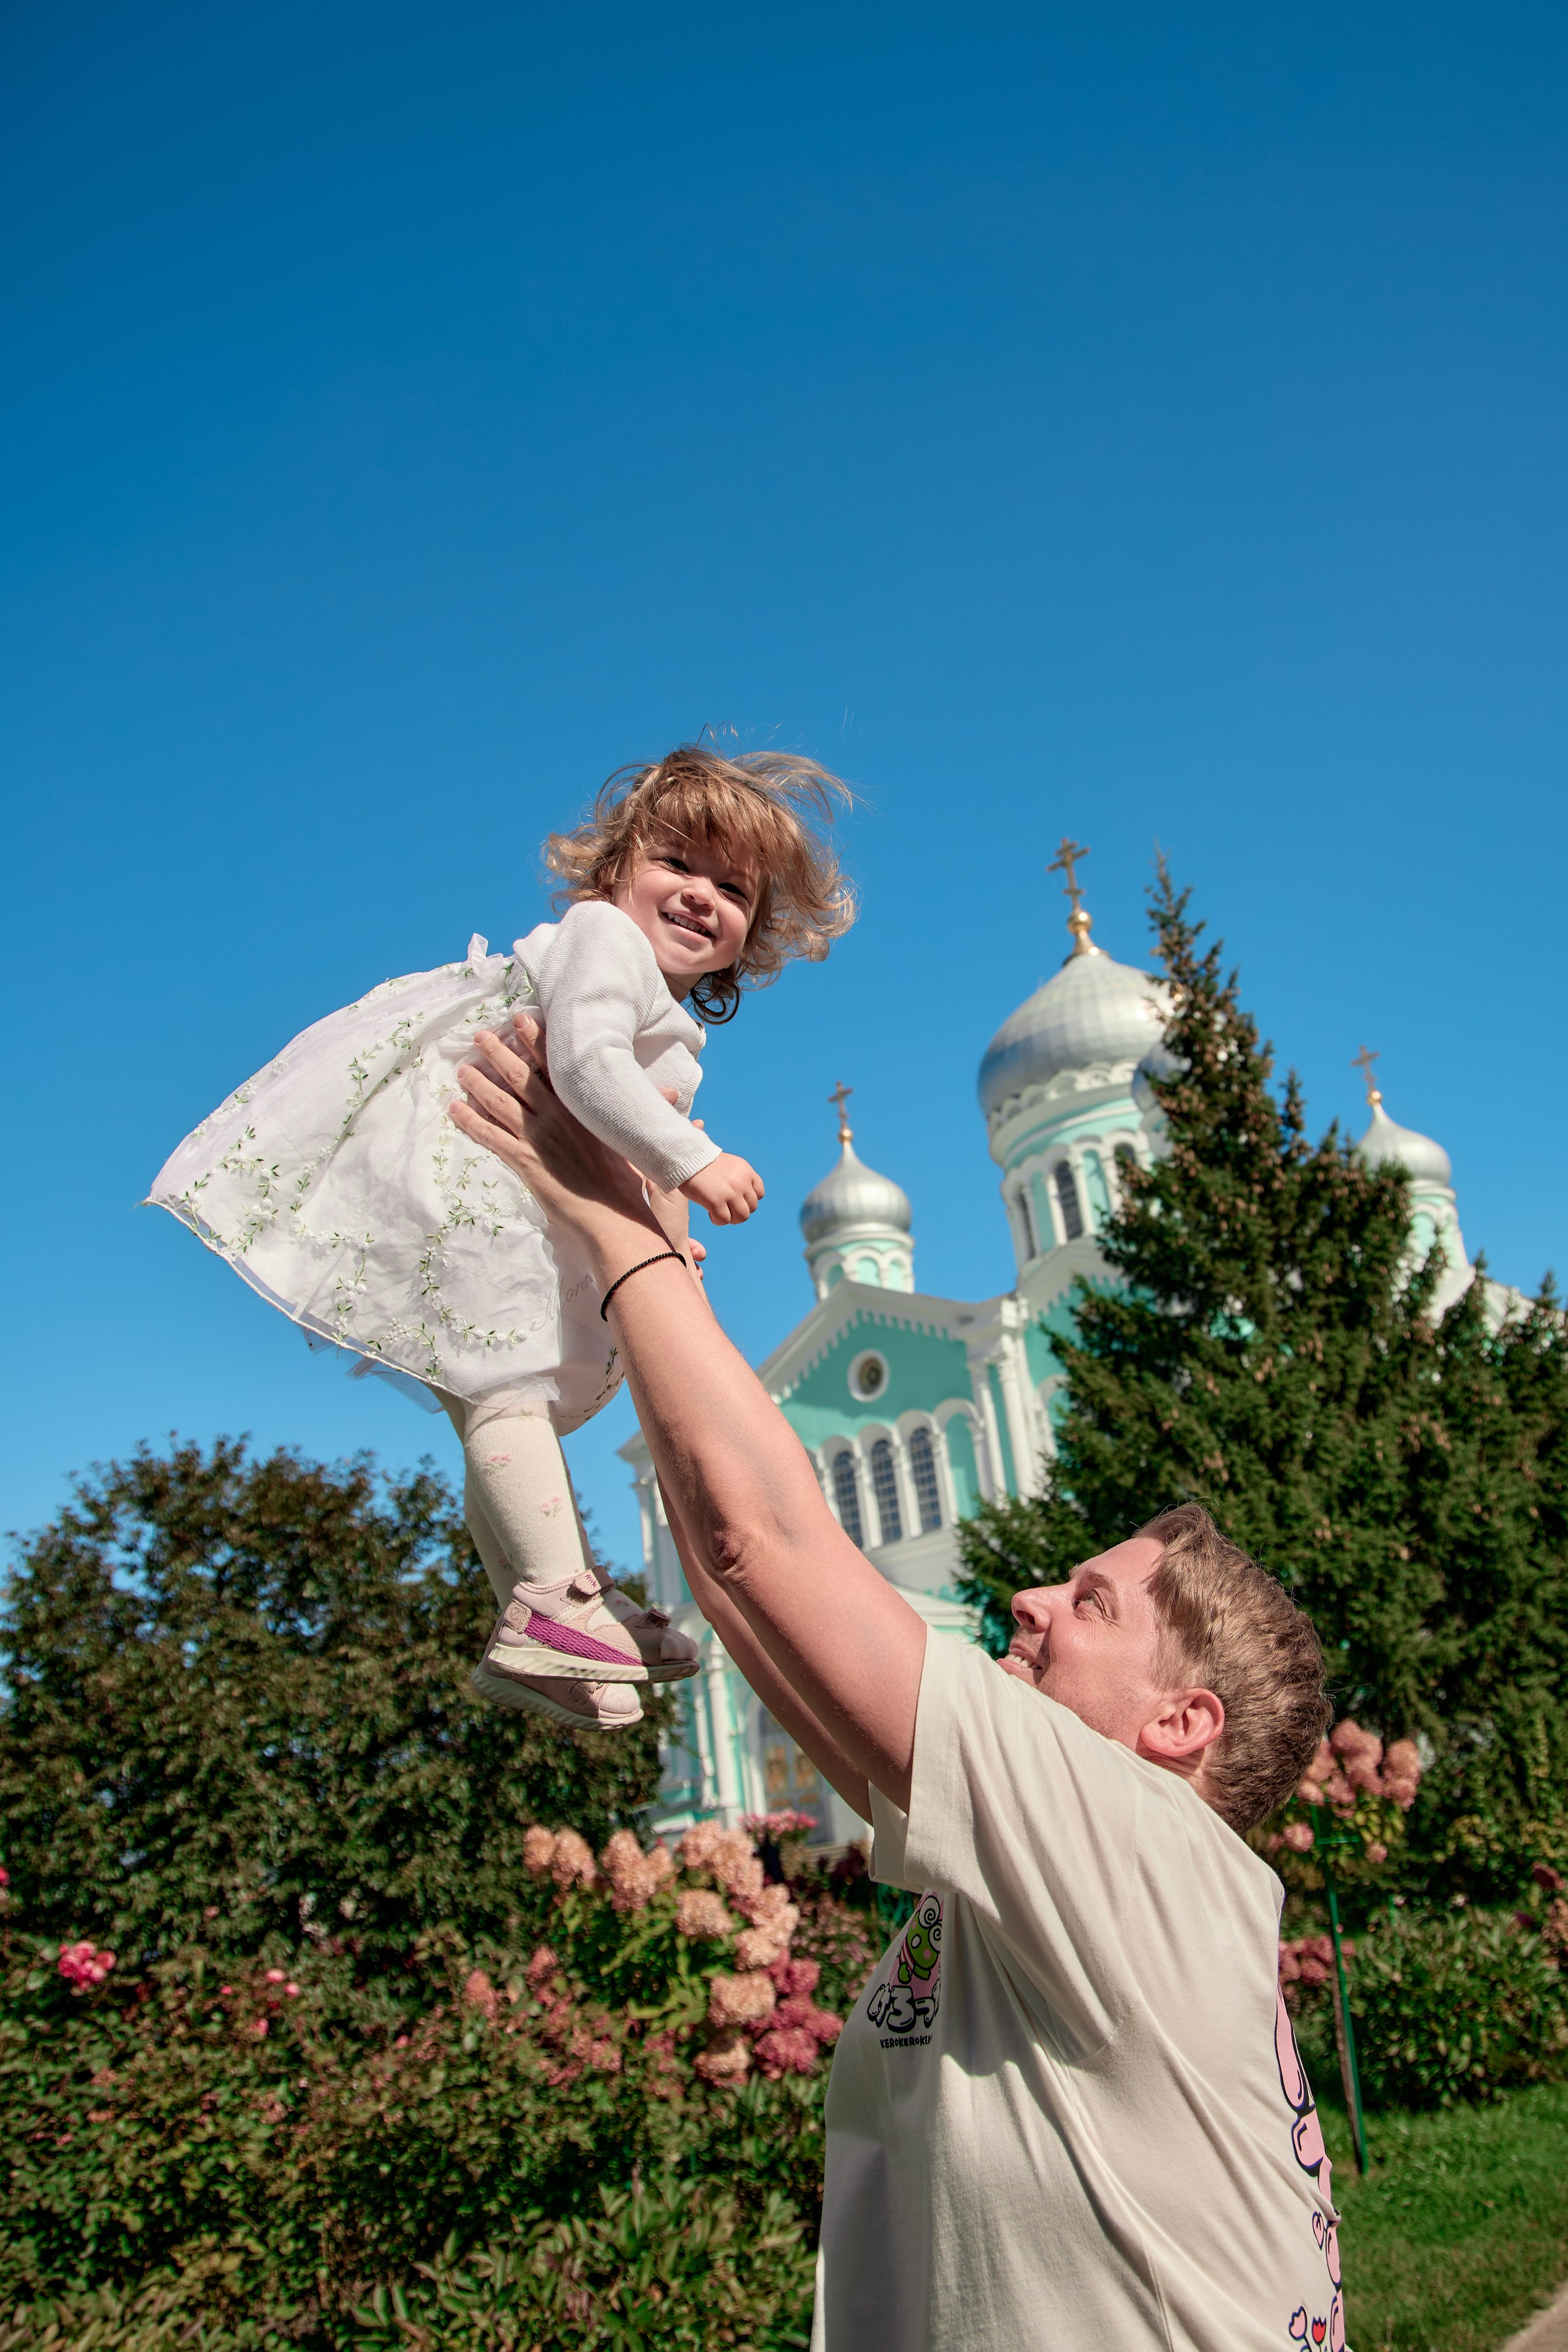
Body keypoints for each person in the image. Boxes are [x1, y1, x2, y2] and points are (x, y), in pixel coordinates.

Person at [450, 1017, 1349, 2352]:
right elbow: (738, 1577)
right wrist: (626, 1247)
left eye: (1088, 1602)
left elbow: (767, 1542)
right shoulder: (1052, 1885)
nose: (1032, 1596)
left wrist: (606, 1202)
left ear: (1178, 1724)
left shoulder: (1142, 1844)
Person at [148, 742, 854, 1729]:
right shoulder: (605, 937)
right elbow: (588, 1067)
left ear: (751, 935)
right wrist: (695, 1163)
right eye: (678, 864)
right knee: (506, 1393)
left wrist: (663, 1224)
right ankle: (557, 1600)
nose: (702, 895)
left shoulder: (640, 977)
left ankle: (542, 1610)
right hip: (486, 1197)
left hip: (504, 1204)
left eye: (733, 887)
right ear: (613, 871)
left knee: (487, 1405)